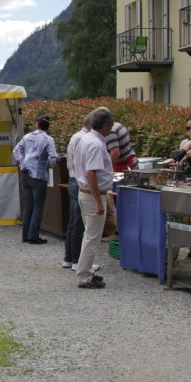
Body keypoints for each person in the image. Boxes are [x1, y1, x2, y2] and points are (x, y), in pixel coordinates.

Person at [74, 108, 114, 289]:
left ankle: (86, 271)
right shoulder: (96, 144)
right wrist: (99, 201)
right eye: (110, 126)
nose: (110, 129)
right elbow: (91, 174)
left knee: (89, 236)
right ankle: (84, 276)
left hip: (84, 192)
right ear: (105, 125)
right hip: (92, 195)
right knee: (92, 238)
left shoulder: (85, 138)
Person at [13, 115, 57, 245]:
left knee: (28, 206)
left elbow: (16, 151)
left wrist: (23, 161)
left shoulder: (27, 136)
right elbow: (53, 160)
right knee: (38, 207)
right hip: (39, 175)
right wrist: (45, 164)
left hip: (25, 173)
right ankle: (33, 236)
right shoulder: (48, 139)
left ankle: (25, 235)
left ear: (37, 124)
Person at [63, 113, 93, 269]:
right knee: (79, 223)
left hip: (72, 180)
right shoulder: (86, 139)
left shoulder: (75, 136)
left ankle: (68, 258)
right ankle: (76, 260)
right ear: (91, 123)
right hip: (79, 181)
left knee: (72, 222)